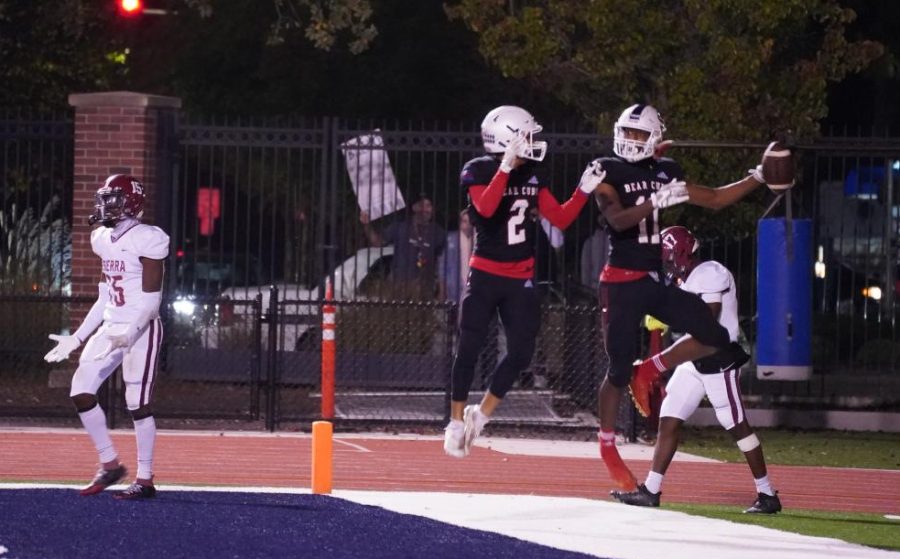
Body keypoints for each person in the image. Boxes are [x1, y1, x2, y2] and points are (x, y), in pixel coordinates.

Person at [582, 103, 764, 489]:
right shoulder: (605, 169)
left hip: (653, 281)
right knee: (616, 369)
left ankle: (649, 370)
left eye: (638, 134)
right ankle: (607, 445)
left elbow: (713, 197)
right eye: (626, 132)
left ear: (652, 138)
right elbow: (616, 220)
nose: (630, 140)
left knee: (716, 336)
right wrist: (654, 201)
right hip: (619, 281)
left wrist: (759, 176)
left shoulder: (667, 171)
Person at [444, 105, 600, 457]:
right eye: (525, 135)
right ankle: (454, 422)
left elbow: (559, 218)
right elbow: (484, 208)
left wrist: (583, 191)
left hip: (520, 278)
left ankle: (480, 416)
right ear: (506, 138)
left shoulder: (532, 174)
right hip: (485, 273)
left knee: (521, 353)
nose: (532, 142)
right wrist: (503, 168)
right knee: (467, 347)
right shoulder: (479, 169)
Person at [611, 226, 782, 514]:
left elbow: (705, 328)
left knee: (737, 426)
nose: (663, 261)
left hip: (718, 359)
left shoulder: (710, 273)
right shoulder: (682, 279)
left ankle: (767, 495)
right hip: (694, 362)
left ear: (680, 254)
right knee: (669, 418)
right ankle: (651, 491)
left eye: (666, 255)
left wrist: (654, 364)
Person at [43, 174, 168, 500]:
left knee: (136, 403)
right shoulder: (101, 237)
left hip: (141, 328)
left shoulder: (149, 238)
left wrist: (130, 334)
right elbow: (104, 297)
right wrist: (78, 337)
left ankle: (145, 478)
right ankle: (110, 464)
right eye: (105, 199)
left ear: (132, 203)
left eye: (113, 200)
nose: (105, 206)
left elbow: (152, 302)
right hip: (110, 326)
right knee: (80, 390)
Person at [361, 193, 447, 300]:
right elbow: (377, 242)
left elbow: (443, 262)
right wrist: (366, 225)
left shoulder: (438, 232)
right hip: (399, 285)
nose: (426, 209)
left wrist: (441, 290)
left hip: (424, 289)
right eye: (422, 205)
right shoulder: (400, 227)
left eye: (429, 205)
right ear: (414, 207)